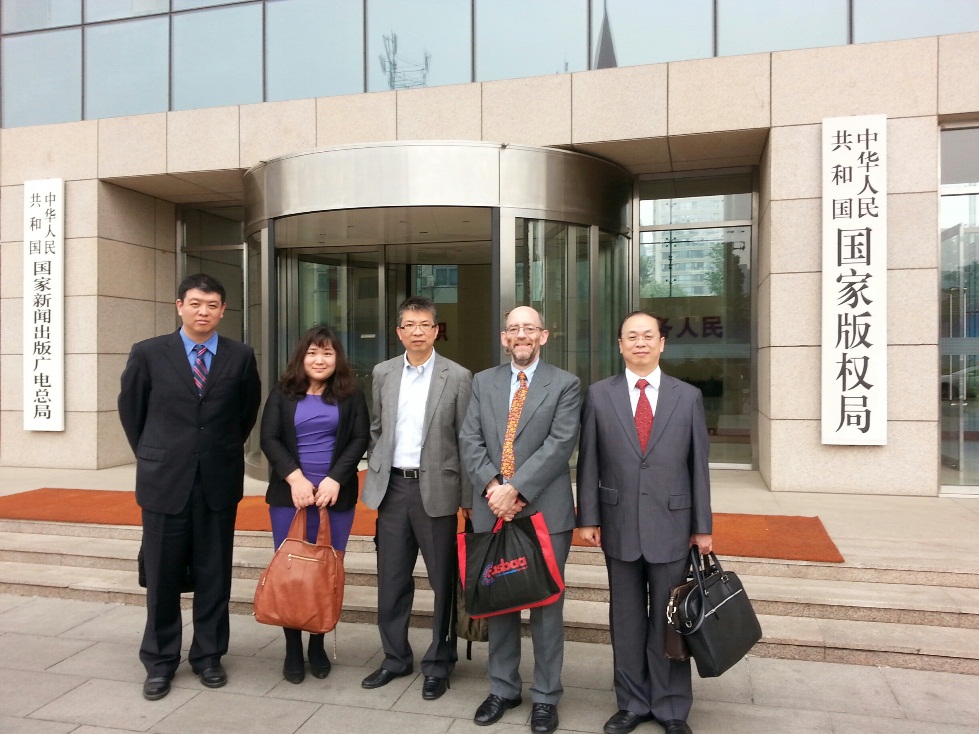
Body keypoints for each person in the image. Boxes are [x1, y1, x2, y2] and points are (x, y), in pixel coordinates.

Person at [118, 273, 261, 701]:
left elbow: (245, 413)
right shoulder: (148, 353)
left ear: (222, 310)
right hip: (165, 480)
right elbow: (132, 410)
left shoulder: (239, 356)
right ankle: (160, 661)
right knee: (162, 575)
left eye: (213, 305)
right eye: (196, 303)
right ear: (179, 305)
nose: (204, 312)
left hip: (217, 481)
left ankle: (209, 656)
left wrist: (214, 450)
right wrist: (156, 453)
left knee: (214, 573)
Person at [576, 311, 712, 734]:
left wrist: (702, 525)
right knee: (627, 619)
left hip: (672, 524)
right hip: (617, 525)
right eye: (631, 337)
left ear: (661, 343)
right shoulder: (600, 395)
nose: (640, 343)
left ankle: (671, 707)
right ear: (620, 345)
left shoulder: (686, 396)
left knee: (670, 620)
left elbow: (699, 467)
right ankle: (632, 701)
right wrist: (588, 517)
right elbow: (589, 461)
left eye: (647, 336)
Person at [459, 306, 580, 734]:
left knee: (546, 606)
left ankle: (546, 696)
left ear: (543, 336)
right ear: (504, 337)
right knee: (499, 602)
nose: (522, 335)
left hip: (545, 511)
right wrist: (494, 488)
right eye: (514, 329)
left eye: (529, 328)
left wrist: (517, 490)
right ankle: (503, 688)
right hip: (492, 507)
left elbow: (560, 443)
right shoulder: (483, 381)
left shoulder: (565, 384)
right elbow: (469, 437)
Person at [359, 296, 472, 701]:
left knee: (443, 581)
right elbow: (376, 428)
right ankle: (394, 657)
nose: (418, 331)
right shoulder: (383, 372)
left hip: (438, 492)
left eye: (425, 324)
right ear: (399, 331)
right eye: (409, 325)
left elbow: (466, 439)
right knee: (391, 579)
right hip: (392, 489)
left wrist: (467, 496)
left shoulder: (457, 376)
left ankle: (439, 663)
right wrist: (377, 466)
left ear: (436, 329)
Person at [259, 326, 370, 684]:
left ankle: (317, 642)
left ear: (337, 358)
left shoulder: (350, 394)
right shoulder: (282, 392)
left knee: (326, 571)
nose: (319, 360)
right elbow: (269, 438)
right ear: (301, 357)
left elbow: (359, 438)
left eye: (327, 353)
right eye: (312, 353)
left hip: (335, 497)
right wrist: (296, 479)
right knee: (291, 572)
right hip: (290, 496)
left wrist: (335, 478)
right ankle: (292, 647)